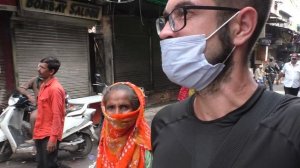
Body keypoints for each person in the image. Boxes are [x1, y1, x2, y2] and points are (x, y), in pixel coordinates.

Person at [151, 0, 300, 167]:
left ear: (242, 26)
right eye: (166, 19)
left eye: (183, 12)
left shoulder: (292, 126)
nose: (164, 32)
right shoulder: (164, 123)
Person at [96, 82, 152, 168]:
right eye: (111, 107)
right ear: (104, 109)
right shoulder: (104, 140)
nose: (117, 114)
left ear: (137, 109)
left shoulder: (146, 147)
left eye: (124, 107)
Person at [33, 56, 66, 168]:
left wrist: (53, 139)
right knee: (42, 164)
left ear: (51, 71)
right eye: (38, 66)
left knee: (49, 165)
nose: (38, 69)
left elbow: (58, 115)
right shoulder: (43, 85)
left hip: (49, 134)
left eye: (42, 67)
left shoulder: (55, 89)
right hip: (40, 132)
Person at [17, 76, 43, 141]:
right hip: (37, 105)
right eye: (39, 67)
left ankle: (35, 139)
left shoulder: (51, 82)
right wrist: (29, 96)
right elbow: (20, 88)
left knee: (33, 117)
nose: (39, 69)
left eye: (42, 68)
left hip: (45, 106)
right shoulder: (35, 80)